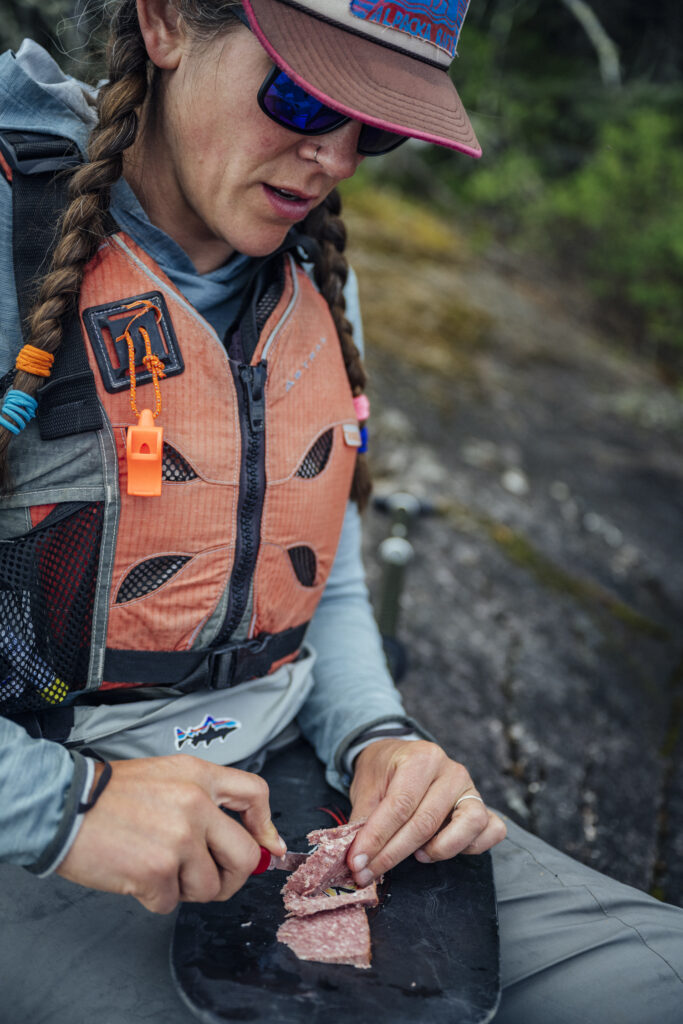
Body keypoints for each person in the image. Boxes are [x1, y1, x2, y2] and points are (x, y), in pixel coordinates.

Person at [0, 1, 680, 1021]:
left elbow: (329, 571)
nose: (335, 159)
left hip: (290, 784)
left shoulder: (311, 268)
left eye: (378, 125)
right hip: (45, 822)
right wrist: (68, 809)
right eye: (305, 95)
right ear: (165, 23)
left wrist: (378, 738)